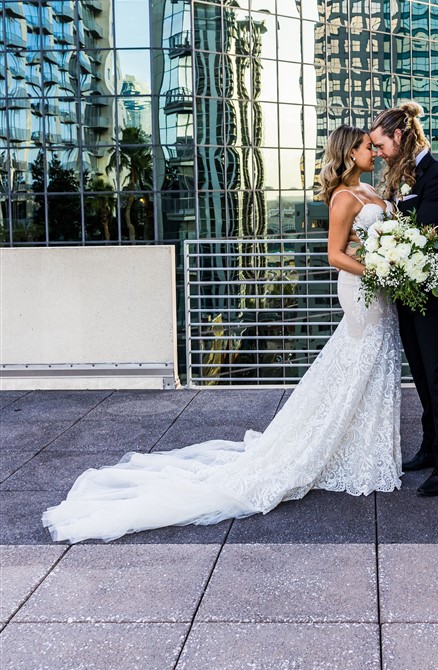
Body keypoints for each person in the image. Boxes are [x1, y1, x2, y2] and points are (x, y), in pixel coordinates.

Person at [42, 126, 402, 544]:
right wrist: (378, 270)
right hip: (362, 288)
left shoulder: (372, 189)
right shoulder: (343, 197)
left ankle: (363, 449)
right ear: (348, 151)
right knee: (360, 360)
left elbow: (373, 238)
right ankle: (336, 446)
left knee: (374, 362)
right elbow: (334, 254)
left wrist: (390, 259)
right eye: (365, 147)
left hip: (379, 288)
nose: (373, 152)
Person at [370, 101, 438, 497]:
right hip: (407, 292)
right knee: (422, 378)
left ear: (400, 136)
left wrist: (388, 231)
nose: (377, 153)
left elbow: (424, 234)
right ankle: (429, 448)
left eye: (380, 145)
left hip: (435, 294)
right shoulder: (399, 177)